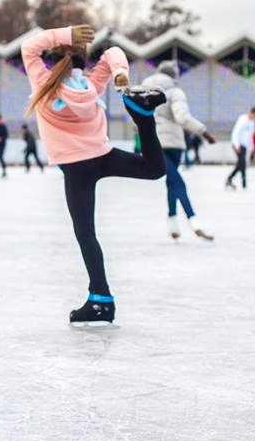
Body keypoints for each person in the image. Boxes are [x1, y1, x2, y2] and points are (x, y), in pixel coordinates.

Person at [21, 23, 166, 327]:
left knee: (86, 233)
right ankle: (143, 117)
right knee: (154, 169)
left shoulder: (43, 83)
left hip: (76, 169)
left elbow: (28, 48)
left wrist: (66, 34)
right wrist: (118, 73)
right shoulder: (90, 85)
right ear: (83, 61)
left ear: (53, 58)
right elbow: (113, 51)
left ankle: (101, 299)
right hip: (103, 156)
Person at [141, 60, 216, 241]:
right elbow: (182, 117)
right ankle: (193, 219)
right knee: (178, 182)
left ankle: (172, 222)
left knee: (172, 182)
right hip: (173, 143)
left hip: (153, 142)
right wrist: (203, 132)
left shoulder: (144, 89)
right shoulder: (174, 91)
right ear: (173, 76)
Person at [226, 106, 255, 190]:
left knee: (241, 164)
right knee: (242, 163)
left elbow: (250, 136)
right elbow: (236, 132)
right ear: (253, 113)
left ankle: (233, 180)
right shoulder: (243, 119)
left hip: (244, 145)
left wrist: (251, 147)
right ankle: (240, 181)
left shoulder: (252, 123)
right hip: (238, 145)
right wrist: (236, 145)